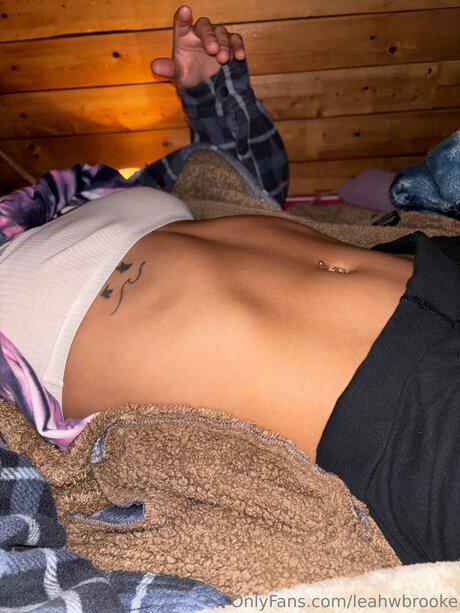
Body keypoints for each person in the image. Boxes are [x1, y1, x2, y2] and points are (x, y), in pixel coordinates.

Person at [1, 5, 459, 569]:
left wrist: (209, 94)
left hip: (431, 262)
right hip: (405, 421)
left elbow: (233, 184)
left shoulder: (65, 196)